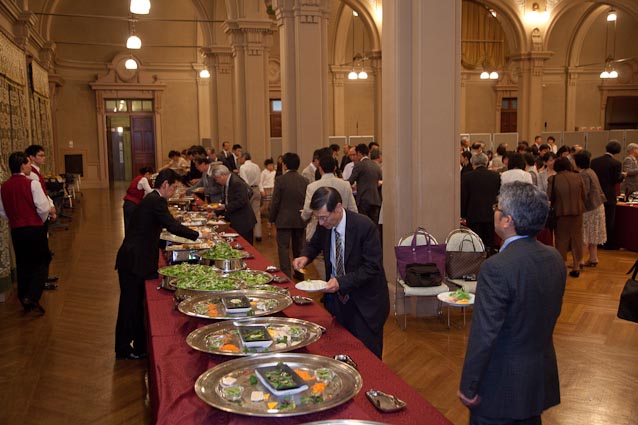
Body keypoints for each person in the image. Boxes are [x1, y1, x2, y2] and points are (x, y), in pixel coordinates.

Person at [458, 182, 566, 424]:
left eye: (497, 207)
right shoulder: (554, 258)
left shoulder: (496, 267)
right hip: (537, 379)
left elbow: (484, 335)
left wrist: (469, 385)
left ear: (507, 220)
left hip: (500, 387)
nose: (494, 211)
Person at [114, 169, 204, 359]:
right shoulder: (156, 201)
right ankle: (124, 349)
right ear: (165, 184)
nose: (174, 191)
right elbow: (172, 225)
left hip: (134, 257)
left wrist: (169, 244)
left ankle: (136, 346)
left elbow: (151, 230)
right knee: (130, 306)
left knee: (133, 305)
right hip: (135, 260)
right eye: (173, 187)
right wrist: (199, 235)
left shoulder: (152, 200)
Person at [293, 187, 389, 359]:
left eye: (323, 217)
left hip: (365, 303)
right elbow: (315, 243)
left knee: (367, 356)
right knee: (341, 349)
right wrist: (305, 256)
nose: (320, 223)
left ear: (338, 207)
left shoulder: (364, 226)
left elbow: (372, 267)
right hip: (338, 301)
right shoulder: (325, 225)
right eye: (317, 218)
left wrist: (341, 282)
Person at [0, 152, 52, 314]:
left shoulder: (3, 187)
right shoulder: (32, 184)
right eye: (28, 163)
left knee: (23, 263)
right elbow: (43, 208)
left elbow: (3, 211)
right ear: (22, 166)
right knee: (43, 261)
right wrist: (39, 221)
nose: (30, 166)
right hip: (34, 228)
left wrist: (15, 220)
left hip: (16, 230)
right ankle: (32, 295)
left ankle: (24, 298)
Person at [269, 153, 308, 280]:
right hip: (299, 219)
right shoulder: (304, 180)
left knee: (283, 248)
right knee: (299, 248)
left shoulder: (280, 180)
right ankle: (300, 273)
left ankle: (286, 276)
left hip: (283, 219)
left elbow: (275, 202)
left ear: (285, 165)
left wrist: (271, 219)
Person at [25, 144, 59, 289]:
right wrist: (49, 208)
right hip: (38, 216)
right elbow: (39, 196)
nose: (44, 158)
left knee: (43, 248)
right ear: (31, 158)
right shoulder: (32, 174)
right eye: (40, 155)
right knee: (40, 250)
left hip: (42, 213)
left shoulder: (36, 172)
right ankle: (40, 280)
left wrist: (50, 205)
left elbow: (44, 193)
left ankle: (43, 278)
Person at [548, 157, 586, 278]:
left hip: (561, 214)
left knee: (561, 240)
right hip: (577, 213)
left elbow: (550, 197)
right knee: (577, 239)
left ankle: (561, 267)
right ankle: (576, 266)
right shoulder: (578, 177)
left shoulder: (553, 179)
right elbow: (584, 195)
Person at [461, 152, 501, 252]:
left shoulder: (467, 176)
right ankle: (489, 256)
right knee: (489, 241)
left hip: (473, 214)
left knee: (474, 243)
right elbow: (498, 194)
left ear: (473, 163)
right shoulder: (496, 176)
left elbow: (464, 197)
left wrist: (463, 214)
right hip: (490, 214)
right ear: (486, 163)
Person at [573, 152, 606, 267]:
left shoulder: (584, 174)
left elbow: (584, 193)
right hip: (597, 206)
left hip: (590, 208)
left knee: (584, 235)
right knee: (592, 234)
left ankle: (579, 261)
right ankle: (593, 258)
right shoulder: (590, 171)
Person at [590, 140, 625, 250]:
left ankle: (597, 241)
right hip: (609, 194)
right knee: (609, 219)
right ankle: (608, 243)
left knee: (597, 219)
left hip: (596, 193)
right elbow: (616, 179)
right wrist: (623, 176)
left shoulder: (594, 161)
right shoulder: (616, 163)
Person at [211, 164, 257, 244]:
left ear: (222, 175)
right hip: (235, 219)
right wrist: (216, 212)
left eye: (216, 179)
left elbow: (241, 201)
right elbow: (226, 200)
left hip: (243, 221)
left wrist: (225, 206)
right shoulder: (227, 182)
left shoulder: (236, 182)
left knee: (245, 244)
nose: (216, 181)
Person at [348, 143, 383, 225]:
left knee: (363, 224)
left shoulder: (359, 165)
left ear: (359, 154)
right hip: (376, 200)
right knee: (374, 225)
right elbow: (379, 179)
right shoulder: (376, 165)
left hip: (363, 199)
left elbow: (350, 181)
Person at [122, 166, 154, 233]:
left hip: (128, 204)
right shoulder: (144, 179)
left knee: (128, 226)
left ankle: (129, 238)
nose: (150, 177)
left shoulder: (138, 178)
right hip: (132, 204)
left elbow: (144, 193)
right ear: (147, 173)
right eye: (150, 175)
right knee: (132, 225)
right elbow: (149, 192)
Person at [238, 152, 262, 241]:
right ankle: (258, 234)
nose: (239, 160)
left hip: (248, 191)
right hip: (256, 189)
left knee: (247, 213)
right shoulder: (256, 166)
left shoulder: (243, 167)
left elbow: (245, 182)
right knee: (257, 213)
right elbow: (259, 179)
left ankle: (248, 233)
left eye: (240, 158)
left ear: (244, 157)